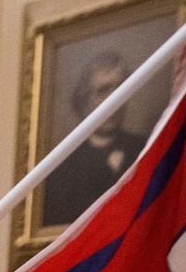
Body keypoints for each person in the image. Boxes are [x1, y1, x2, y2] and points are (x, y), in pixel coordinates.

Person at [42, 52, 147, 226]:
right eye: (102, 91)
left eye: (121, 89)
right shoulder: (63, 167)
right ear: (85, 100)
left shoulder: (145, 148)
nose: (114, 100)